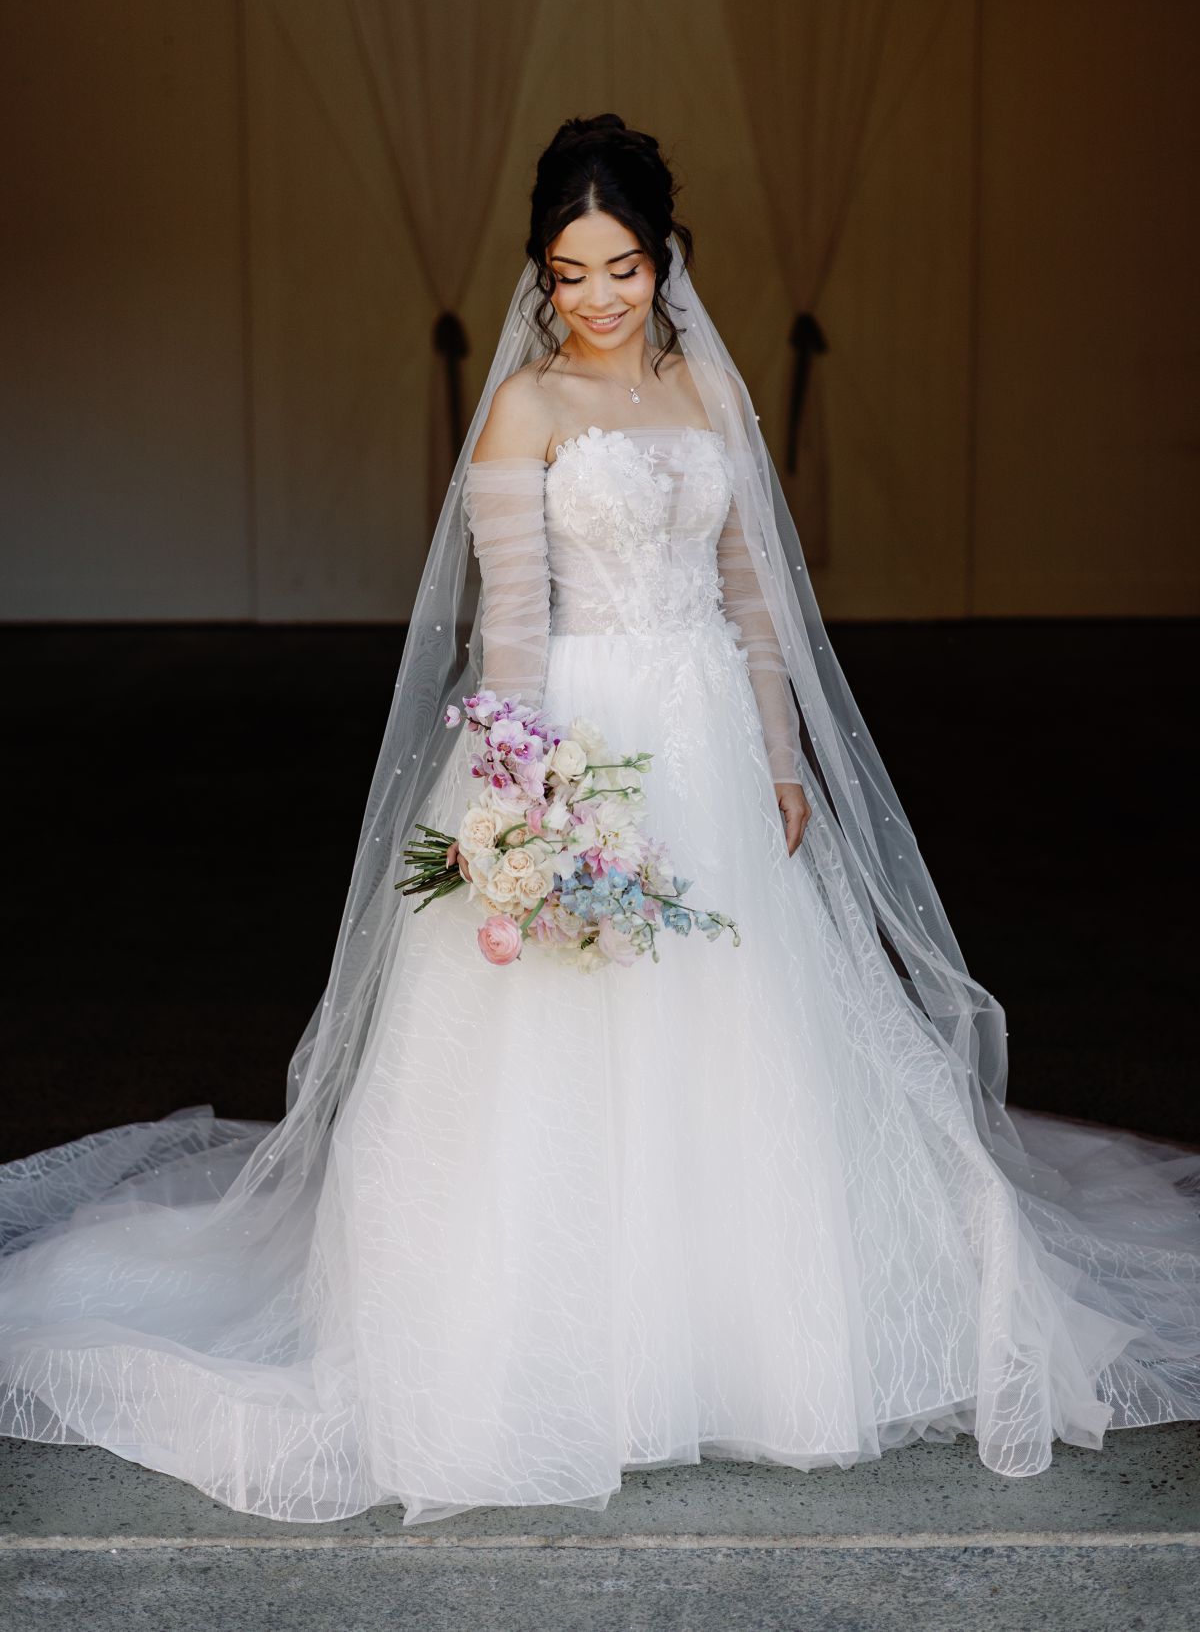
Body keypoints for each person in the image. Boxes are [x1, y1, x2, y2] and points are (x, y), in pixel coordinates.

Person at [0, 114, 1197, 1529]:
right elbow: (510, 632)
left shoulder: (707, 395)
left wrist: (780, 752)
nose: (600, 297)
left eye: (623, 265)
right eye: (571, 273)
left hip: (707, 741)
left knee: (742, 1037)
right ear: (540, 276)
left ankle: (745, 1341)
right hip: (584, 740)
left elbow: (754, 591)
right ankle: (572, 1359)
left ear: (664, 257)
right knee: (564, 1049)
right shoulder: (526, 409)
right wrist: (525, 801)